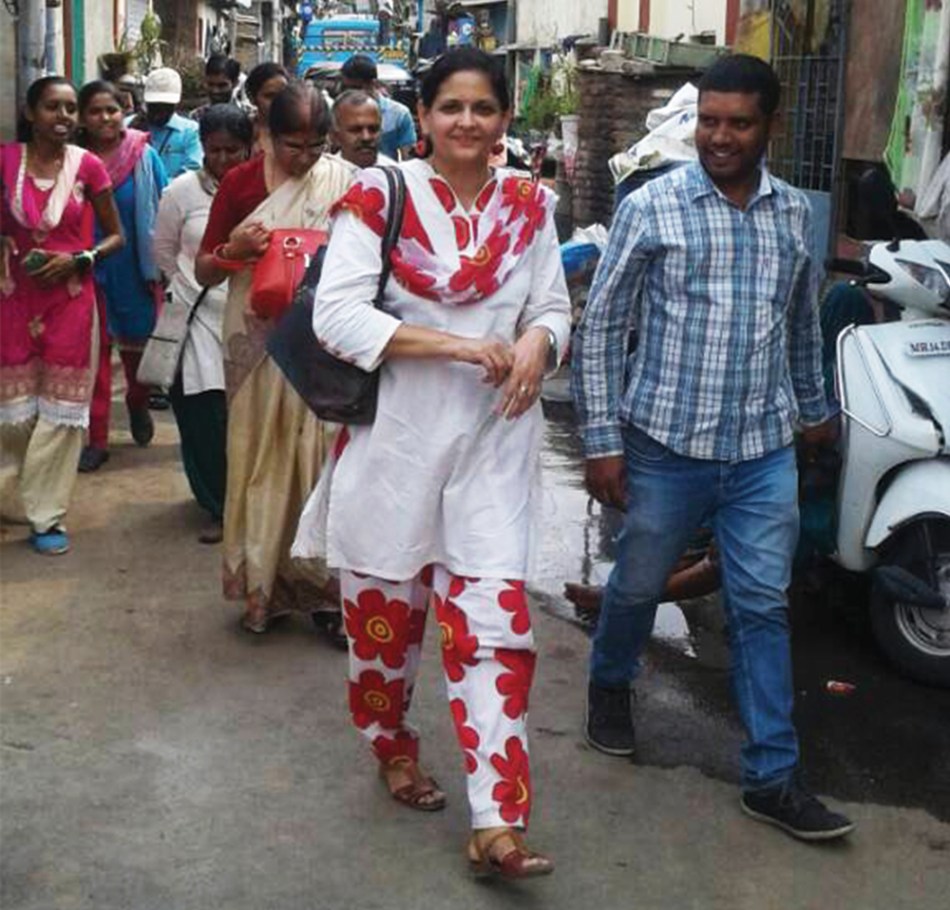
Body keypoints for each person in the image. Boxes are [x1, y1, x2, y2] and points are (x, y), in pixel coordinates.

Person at [292, 48, 570, 878]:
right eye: (451, 107)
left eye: (483, 108)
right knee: (383, 634)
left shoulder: (531, 205)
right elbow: (336, 318)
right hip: (397, 449)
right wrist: (452, 344)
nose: (467, 123)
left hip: (492, 448)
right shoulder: (379, 195)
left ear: (504, 119)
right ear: (427, 113)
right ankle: (392, 745)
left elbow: (553, 304)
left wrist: (536, 341)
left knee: (495, 631)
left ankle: (497, 820)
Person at [572, 54, 855, 842]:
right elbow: (600, 326)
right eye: (709, 121)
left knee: (761, 604)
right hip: (665, 446)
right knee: (633, 588)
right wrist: (602, 442)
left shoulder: (797, 214)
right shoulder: (652, 207)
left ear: (769, 125)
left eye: (738, 123)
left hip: (762, 451)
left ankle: (772, 774)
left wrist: (813, 410)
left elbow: (800, 323)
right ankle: (609, 682)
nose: (719, 138)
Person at [194, 82, 354, 637]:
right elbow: (203, 269)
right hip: (257, 340)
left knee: (320, 460)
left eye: (316, 146)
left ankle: (328, 598)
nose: (305, 158)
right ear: (266, 134)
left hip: (322, 342)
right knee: (260, 460)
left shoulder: (346, 183)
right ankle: (262, 589)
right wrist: (235, 252)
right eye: (292, 145)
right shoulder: (240, 183)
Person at [0, 76, 123, 554]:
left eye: (71, 109)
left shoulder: (88, 166)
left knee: (59, 412)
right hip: (13, 298)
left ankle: (46, 515)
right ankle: (14, 499)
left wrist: (82, 258)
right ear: (31, 113)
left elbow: (116, 236)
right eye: (53, 107)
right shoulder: (6, 161)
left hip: (71, 301)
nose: (65, 117)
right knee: (14, 410)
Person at [153, 105, 254, 542]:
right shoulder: (180, 192)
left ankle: (248, 500)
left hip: (249, 318)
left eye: (234, 150)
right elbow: (164, 251)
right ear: (203, 148)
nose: (225, 160)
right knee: (204, 413)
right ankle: (217, 504)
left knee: (243, 415)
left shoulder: (263, 189)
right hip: (196, 315)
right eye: (216, 150)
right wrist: (190, 289)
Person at [77, 81, 168, 472]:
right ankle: (97, 438)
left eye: (112, 110)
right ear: (83, 118)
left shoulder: (144, 156)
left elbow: (164, 213)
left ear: (124, 111)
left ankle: (136, 402)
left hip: (134, 269)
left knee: (138, 357)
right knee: (93, 358)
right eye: (95, 111)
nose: (104, 118)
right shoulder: (74, 160)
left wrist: (163, 268)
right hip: (86, 268)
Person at [128, 68, 202, 179]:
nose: (159, 113)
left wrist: (162, 186)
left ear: (176, 104)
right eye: (155, 106)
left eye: (165, 107)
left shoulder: (189, 131)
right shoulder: (128, 125)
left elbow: (193, 170)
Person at [339, 54, 416, 160]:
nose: (351, 94)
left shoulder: (399, 114)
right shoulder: (338, 112)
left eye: (356, 88)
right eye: (346, 88)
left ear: (373, 84)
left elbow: (408, 159)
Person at [328, 89, 392, 169]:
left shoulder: (396, 175)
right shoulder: (323, 177)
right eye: (355, 130)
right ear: (335, 136)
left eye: (373, 129)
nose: (366, 137)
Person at [243, 62, 289, 156]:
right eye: (270, 96)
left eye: (282, 95)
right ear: (252, 98)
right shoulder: (242, 130)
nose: (278, 101)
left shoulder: (298, 130)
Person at [188, 55, 244, 122]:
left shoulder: (248, 116)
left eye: (222, 86)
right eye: (210, 84)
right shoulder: (196, 116)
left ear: (235, 83)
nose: (215, 91)